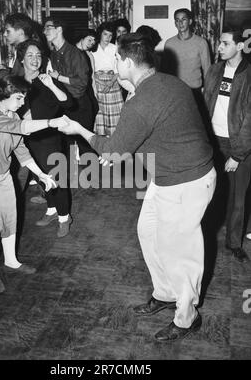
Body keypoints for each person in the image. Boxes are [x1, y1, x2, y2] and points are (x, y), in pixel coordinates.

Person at [50, 33, 216, 342]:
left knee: (179, 252)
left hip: (184, 180)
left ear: (127, 62)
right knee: (147, 230)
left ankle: (187, 316)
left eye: (116, 59)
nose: (113, 63)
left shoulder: (142, 101)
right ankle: (165, 293)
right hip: (168, 175)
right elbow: (149, 130)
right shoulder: (167, 82)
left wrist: (79, 130)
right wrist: (124, 143)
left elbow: (113, 150)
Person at [0, 75, 60, 294]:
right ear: (4, 95)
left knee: (10, 218)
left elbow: (21, 150)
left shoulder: (13, 114)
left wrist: (42, 175)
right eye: (18, 98)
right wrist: (51, 122)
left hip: (3, 175)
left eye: (23, 98)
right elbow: (21, 127)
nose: (22, 103)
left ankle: (11, 261)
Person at [204, 27, 251, 263]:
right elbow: (205, 105)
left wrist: (238, 154)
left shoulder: (249, 75)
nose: (219, 47)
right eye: (219, 43)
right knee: (209, 192)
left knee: (237, 199)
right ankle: (206, 236)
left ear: (240, 46)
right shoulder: (214, 70)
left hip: (239, 146)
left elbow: (250, 121)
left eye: (225, 43)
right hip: (214, 142)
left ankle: (234, 243)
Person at [17, 39, 73, 237]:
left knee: (56, 178)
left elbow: (68, 104)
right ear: (21, 59)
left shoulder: (47, 81)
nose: (35, 59)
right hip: (28, 139)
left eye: (38, 55)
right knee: (40, 176)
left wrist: (52, 85)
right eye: (30, 55)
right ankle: (51, 209)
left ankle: (64, 217)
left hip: (50, 139)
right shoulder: (17, 82)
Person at [43, 17, 94, 157]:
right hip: (65, 104)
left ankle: (93, 177)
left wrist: (58, 77)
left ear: (59, 29)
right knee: (67, 145)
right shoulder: (54, 53)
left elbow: (82, 82)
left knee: (85, 146)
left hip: (80, 105)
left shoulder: (74, 53)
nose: (45, 31)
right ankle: (72, 177)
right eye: (45, 28)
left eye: (48, 27)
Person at [162, 8, 211, 105]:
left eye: (183, 19)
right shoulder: (169, 43)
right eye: (177, 20)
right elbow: (164, 71)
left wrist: (207, 91)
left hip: (195, 91)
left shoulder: (201, 43)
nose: (180, 23)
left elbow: (207, 69)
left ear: (190, 21)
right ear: (175, 23)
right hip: (175, 91)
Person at [91, 22, 124, 136]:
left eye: (110, 35)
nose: (108, 38)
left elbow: (118, 70)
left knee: (116, 115)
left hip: (113, 83)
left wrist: (110, 83)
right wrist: (100, 82)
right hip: (97, 82)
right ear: (100, 34)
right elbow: (90, 71)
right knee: (100, 115)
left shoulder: (115, 48)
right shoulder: (93, 48)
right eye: (105, 34)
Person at [76, 28, 99, 118]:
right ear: (82, 38)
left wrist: (95, 94)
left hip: (87, 92)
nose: (90, 44)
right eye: (89, 40)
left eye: (93, 43)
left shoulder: (89, 56)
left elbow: (92, 76)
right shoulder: (70, 52)